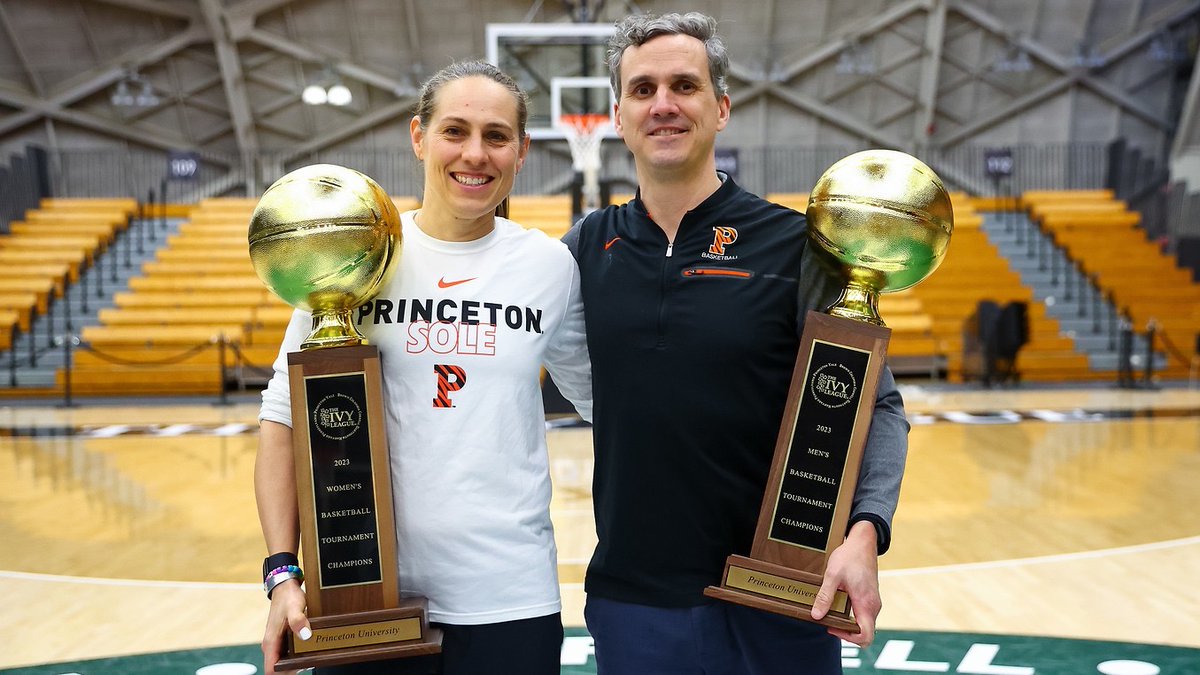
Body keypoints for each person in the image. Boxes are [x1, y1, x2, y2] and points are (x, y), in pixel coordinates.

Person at [562, 12, 909, 674]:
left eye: (684, 86)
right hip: (631, 600)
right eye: (643, 89)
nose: (663, 104)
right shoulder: (583, 248)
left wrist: (865, 532)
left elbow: (878, 407)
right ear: (617, 115)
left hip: (776, 597)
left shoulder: (796, 245)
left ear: (721, 108)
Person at [256, 60, 592, 675]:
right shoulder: (352, 257)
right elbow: (282, 422)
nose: (475, 154)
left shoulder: (550, 267)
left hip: (509, 597)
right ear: (418, 136)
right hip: (365, 596)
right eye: (454, 131)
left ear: (520, 152)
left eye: (496, 136)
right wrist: (282, 573)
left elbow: (607, 402)